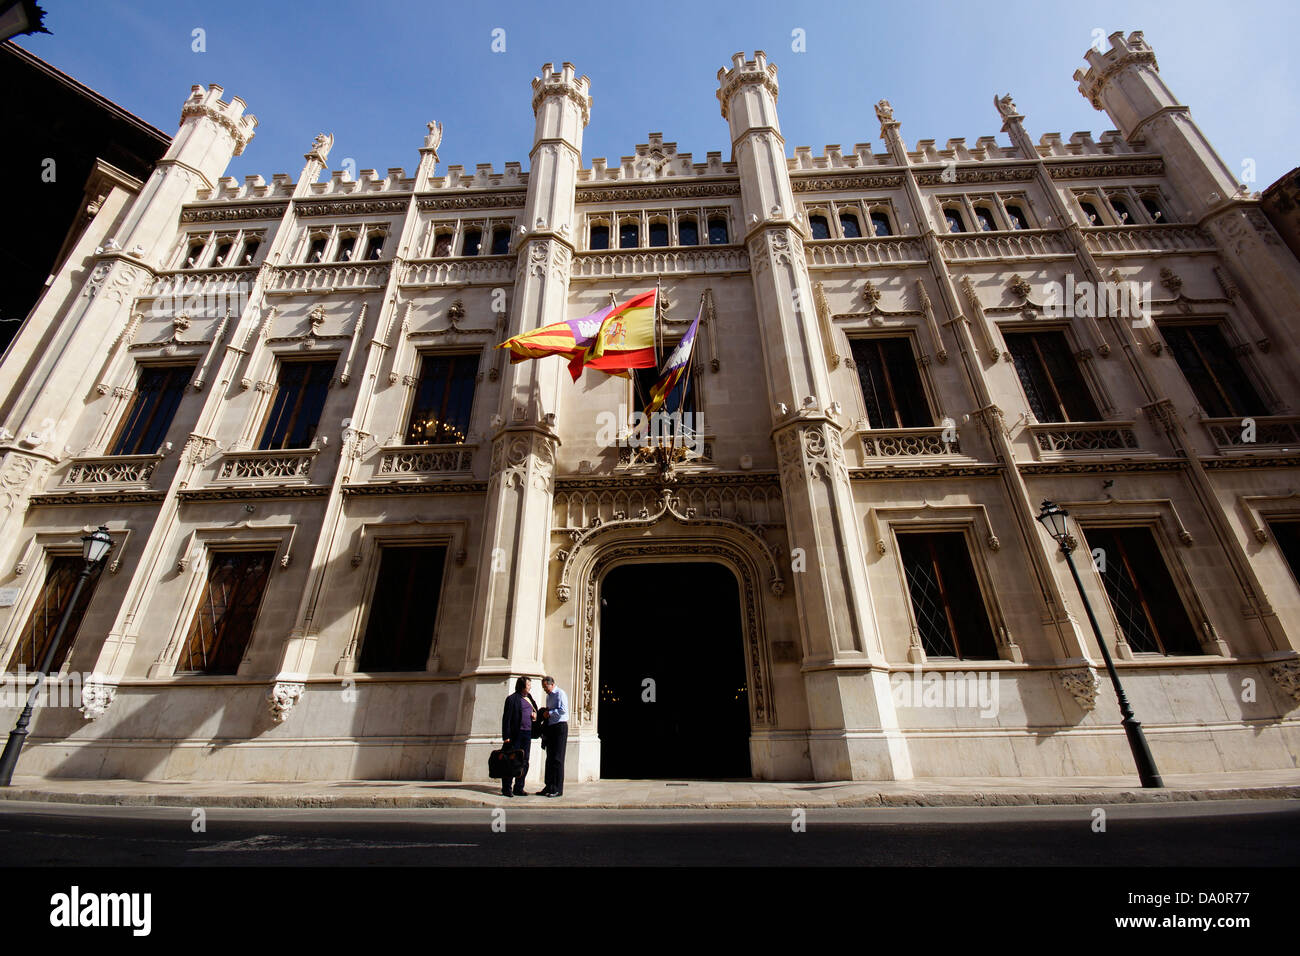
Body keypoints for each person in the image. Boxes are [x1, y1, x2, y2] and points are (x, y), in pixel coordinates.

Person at [500, 676, 537, 797]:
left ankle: (519, 787)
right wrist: (506, 736)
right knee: (511, 760)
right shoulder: (512, 699)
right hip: (516, 735)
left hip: (527, 734)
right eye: (528, 685)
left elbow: (535, 711)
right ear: (522, 686)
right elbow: (507, 719)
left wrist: (535, 716)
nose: (530, 687)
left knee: (524, 761)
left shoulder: (529, 698)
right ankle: (506, 788)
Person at [539, 675, 569, 797]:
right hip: (551, 728)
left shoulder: (560, 693)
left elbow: (563, 710)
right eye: (543, 687)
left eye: (546, 687)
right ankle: (549, 786)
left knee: (558, 759)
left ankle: (557, 788)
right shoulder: (549, 696)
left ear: (552, 684)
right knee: (550, 758)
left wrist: (549, 713)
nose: (544, 689)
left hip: (560, 727)